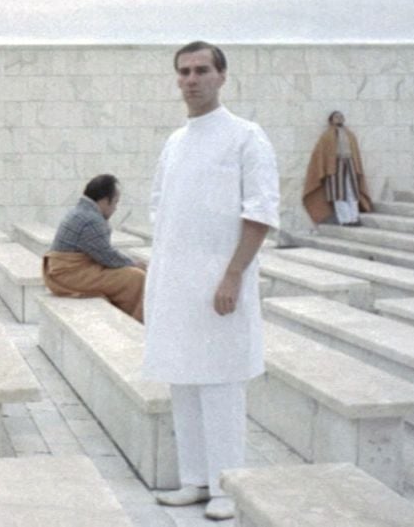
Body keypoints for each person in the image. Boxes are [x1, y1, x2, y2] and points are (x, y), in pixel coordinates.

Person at [142, 42, 280, 521]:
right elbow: (162, 213)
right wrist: (159, 282)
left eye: (202, 70)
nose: (191, 79)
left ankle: (227, 486)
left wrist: (233, 274)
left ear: (222, 76)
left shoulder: (246, 136)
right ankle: (194, 480)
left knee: (220, 385)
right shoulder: (176, 142)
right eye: (184, 71)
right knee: (183, 379)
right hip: (176, 283)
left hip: (223, 283)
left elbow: (260, 212)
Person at [43, 174, 146, 322]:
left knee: (128, 273)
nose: (116, 208)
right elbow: (107, 256)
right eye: (115, 202)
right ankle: (135, 323)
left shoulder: (81, 212)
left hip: (66, 272)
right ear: (105, 201)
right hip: (68, 276)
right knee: (136, 277)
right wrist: (134, 263)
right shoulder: (91, 219)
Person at [302, 110, 372, 226]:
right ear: (331, 120)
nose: (339, 119)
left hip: (350, 164)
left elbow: (355, 153)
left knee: (352, 192)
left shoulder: (350, 134)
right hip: (334, 167)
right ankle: (345, 220)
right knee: (338, 193)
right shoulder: (327, 136)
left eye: (341, 117)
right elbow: (320, 154)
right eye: (336, 117)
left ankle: (354, 218)